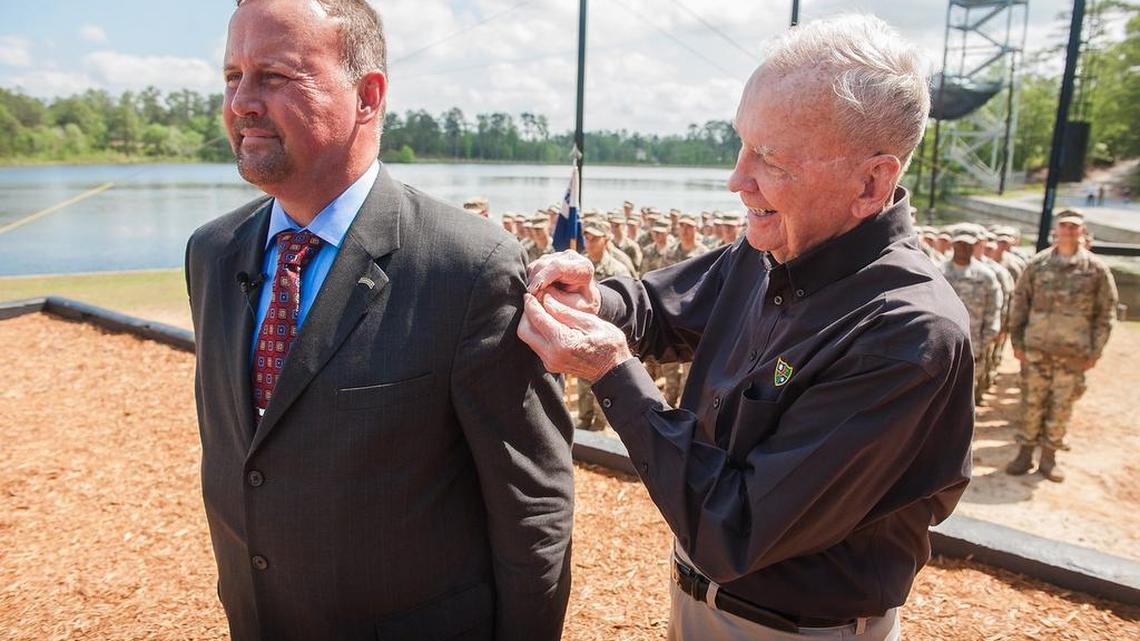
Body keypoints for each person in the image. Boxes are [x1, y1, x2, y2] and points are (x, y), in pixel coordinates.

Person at [519, 14, 973, 640]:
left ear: (871, 183)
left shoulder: (905, 334)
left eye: (771, 159)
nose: (737, 179)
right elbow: (657, 308)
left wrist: (610, 370)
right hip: (699, 602)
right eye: (742, 144)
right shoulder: (776, 246)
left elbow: (733, 528)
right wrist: (592, 297)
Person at [183, 1, 573, 639]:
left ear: (366, 96)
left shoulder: (467, 267)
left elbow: (532, 509)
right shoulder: (212, 252)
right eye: (233, 77)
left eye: (275, 76)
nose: (242, 102)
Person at [1006, 209, 1119, 482]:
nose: (1068, 231)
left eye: (1074, 227)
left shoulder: (1095, 269)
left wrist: (1096, 350)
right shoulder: (1038, 265)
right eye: (1064, 226)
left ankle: (1049, 457)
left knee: (1061, 406)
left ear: (1082, 231)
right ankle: (1025, 452)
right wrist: (1017, 340)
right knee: (1031, 402)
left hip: (1073, 353)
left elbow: (1106, 312)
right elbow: (1020, 302)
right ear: (1056, 230)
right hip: (1036, 349)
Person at [575, 221, 634, 430]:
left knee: (605, 381)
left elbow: (630, 305)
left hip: (609, 335)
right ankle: (584, 417)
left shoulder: (619, 269)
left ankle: (600, 423)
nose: (589, 243)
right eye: (587, 238)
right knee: (583, 380)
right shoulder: (580, 266)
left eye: (594, 238)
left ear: (606, 240)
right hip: (583, 333)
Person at [941, 226, 1002, 405]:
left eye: (968, 245)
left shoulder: (986, 276)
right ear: (953, 244)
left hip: (974, 346)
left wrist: (986, 341)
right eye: (959, 244)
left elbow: (993, 310)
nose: (963, 248)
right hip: (942, 347)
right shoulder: (937, 272)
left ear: (975, 246)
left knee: (965, 399)